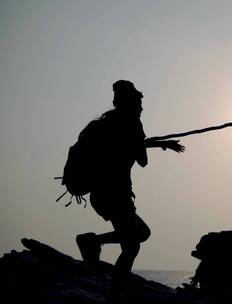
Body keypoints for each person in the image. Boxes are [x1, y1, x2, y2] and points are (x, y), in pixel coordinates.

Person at [75, 80, 185, 301]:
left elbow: (126, 146)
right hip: (117, 195)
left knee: (141, 233)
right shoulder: (133, 123)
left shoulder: (106, 122)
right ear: (131, 103)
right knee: (132, 246)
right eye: (139, 102)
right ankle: (113, 294)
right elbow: (142, 160)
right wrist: (145, 143)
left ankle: (94, 243)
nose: (142, 107)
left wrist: (159, 143)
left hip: (102, 195)